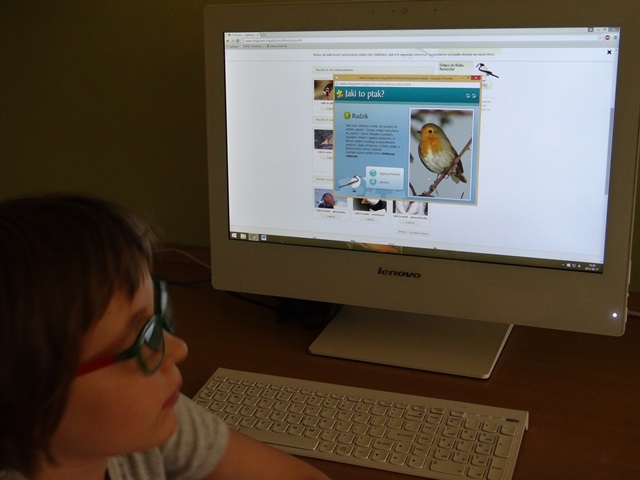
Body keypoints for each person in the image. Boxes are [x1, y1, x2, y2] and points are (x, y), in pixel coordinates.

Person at [0, 194, 330, 480]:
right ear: (24, 407)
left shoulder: (148, 421)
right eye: (140, 339)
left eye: (157, 314)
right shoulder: (140, 419)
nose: (178, 349)